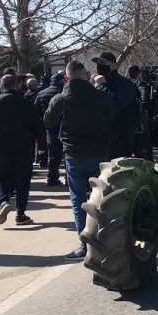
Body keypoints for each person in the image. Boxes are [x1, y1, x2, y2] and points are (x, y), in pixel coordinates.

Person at [45, 60, 115, 260]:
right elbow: (112, 115)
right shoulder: (100, 96)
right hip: (99, 153)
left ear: (67, 77)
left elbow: (48, 121)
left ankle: (85, 245)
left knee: (78, 200)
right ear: (86, 75)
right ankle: (106, 241)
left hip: (74, 155)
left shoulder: (60, 98)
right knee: (102, 200)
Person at [0, 74, 45, 225]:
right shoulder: (26, 102)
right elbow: (38, 126)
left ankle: (4, 201)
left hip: (1, 146)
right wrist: (41, 146)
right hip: (24, 147)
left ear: (1, 86)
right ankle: (20, 213)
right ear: (18, 85)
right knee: (23, 180)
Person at [34, 73, 66, 185]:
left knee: (53, 154)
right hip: (64, 126)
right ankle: (68, 179)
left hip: (49, 127)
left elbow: (36, 111)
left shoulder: (41, 93)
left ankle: (52, 178)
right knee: (67, 153)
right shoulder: (64, 93)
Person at [127, 65, 153, 161]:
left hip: (129, 116)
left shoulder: (125, 83)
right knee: (145, 142)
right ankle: (149, 165)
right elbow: (144, 95)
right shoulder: (138, 83)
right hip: (139, 115)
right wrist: (144, 108)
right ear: (138, 74)